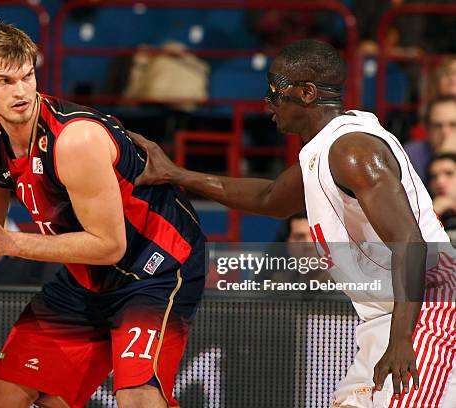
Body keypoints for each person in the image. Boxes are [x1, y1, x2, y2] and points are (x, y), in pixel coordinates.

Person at [0, 21, 205, 408]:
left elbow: (109, 245)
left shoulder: (75, 139)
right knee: (1, 394)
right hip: (86, 274)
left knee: (138, 396)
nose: (21, 91)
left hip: (157, 264)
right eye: (5, 81)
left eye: (27, 76)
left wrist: (12, 243)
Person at [130, 39, 455, 407]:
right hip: (391, 316)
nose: (267, 103)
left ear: (307, 93)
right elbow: (269, 198)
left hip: (428, 311)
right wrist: (175, 174)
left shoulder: (352, 151)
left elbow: (410, 240)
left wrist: (401, 339)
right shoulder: (323, 151)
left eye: (276, 91)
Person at [405, 96, 456, 184]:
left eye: (453, 124)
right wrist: (443, 156)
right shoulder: (411, 154)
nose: (445, 132)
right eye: (437, 125)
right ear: (426, 128)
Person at [427, 153, 456, 241]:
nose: (440, 181)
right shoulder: (422, 215)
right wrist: (433, 213)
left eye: (449, 173)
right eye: (433, 177)